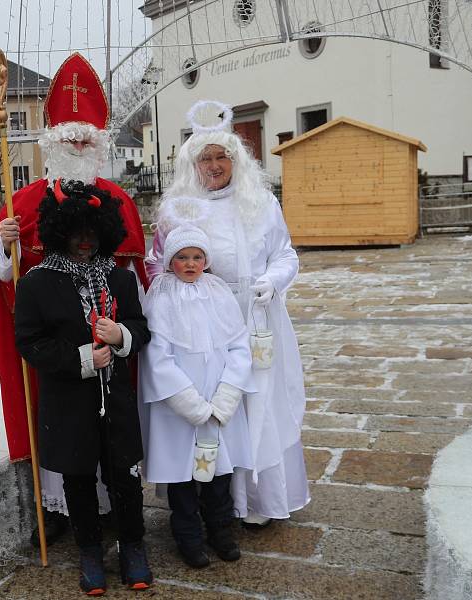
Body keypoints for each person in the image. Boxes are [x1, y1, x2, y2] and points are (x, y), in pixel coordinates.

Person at [0, 52, 148, 545]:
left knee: (107, 421)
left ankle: (111, 507)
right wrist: (6, 244)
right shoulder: (25, 203)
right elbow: (6, 281)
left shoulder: (117, 200)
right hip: (56, 341)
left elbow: (134, 275)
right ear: (53, 143)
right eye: (69, 138)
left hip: (105, 332)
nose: (78, 144)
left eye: (86, 139)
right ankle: (59, 508)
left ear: (98, 143)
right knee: (57, 419)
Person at [145, 100, 309, 527]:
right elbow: (157, 262)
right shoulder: (177, 208)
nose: (214, 166)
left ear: (237, 161)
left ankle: (258, 501)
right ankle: (212, 502)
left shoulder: (261, 202)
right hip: (202, 321)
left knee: (259, 404)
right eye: (205, 159)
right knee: (214, 399)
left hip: (255, 315)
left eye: (222, 157)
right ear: (192, 165)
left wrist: (271, 282)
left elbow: (285, 254)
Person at [14, 180, 152, 594]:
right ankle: (89, 550)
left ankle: (132, 546)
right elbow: (30, 342)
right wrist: (81, 359)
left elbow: (141, 329)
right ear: (60, 232)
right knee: (78, 477)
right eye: (76, 233)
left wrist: (121, 337)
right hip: (68, 398)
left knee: (124, 476)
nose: (85, 242)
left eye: (92, 233)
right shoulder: (36, 282)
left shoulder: (120, 279)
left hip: (117, 399)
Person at [139, 225, 256, 568]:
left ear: (206, 260)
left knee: (220, 474)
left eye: (197, 257)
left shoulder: (218, 292)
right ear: (170, 260)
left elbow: (239, 346)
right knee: (183, 478)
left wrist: (227, 395)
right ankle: (187, 536)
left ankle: (220, 529)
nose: (190, 264)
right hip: (181, 409)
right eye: (182, 257)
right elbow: (158, 358)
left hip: (220, 402)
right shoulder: (161, 297)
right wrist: (190, 404)